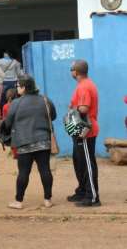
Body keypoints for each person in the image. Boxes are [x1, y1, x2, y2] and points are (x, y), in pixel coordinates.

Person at [1, 75, 56, 209]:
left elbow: (7, 122)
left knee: (24, 172)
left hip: (23, 143)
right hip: (43, 141)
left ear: (24, 87)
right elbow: (53, 116)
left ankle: (19, 201)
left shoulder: (16, 103)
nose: (17, 89)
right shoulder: (45, 100)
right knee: (45, 170)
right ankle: (47, 200)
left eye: (18, 86)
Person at [67, 60, 101, 207]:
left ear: (76, 72)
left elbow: (84, 108)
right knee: (79, 162)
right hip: (80, 131)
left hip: (86, 131)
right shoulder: (83, 85)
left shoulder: (85, 86)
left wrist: (73, 108)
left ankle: (92, 197)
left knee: (87, 164)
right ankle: (82, 191)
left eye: (71, 69)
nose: (70, 72)